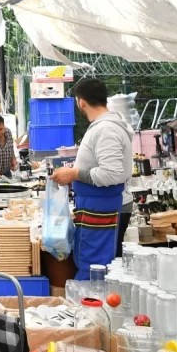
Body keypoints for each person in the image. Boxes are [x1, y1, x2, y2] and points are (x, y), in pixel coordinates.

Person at [49, 78, 134, 279]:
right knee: (95, 265)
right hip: (96, 205)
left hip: (103, 208)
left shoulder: (106, 129)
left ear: (81, 102)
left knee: (96, 269)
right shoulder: (105, 126)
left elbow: (111, 173)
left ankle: (93, 306)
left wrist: (74, 174)